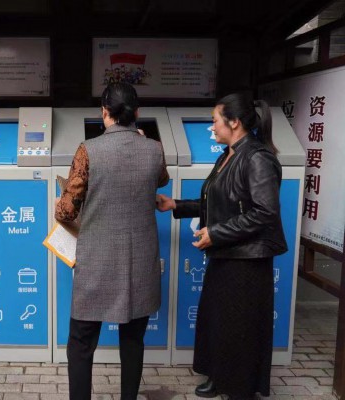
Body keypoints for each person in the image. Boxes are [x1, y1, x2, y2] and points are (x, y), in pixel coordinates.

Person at [156, 93, 287, 400]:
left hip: (247, 261)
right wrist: (176, 205)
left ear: (235, 122)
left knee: (240, 327)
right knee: (219, 322)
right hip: (227, 254)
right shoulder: (229, 154)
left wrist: (216, 233)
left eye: (215, 120)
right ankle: (219, 376)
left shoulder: (257, 158)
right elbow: (217, 202)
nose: (211, 126)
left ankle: (240, 389)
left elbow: (265, 213)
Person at [55, 82, 169, 400]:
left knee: (81, 343)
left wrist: (58, 205)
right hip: (139, 263)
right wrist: (144, 141)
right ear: (137, 113)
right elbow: (161, 179)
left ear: (104, 112)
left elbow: (67, 211)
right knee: (133, 341)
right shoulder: (155, 149)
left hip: (97, 263)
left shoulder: (88, 150)